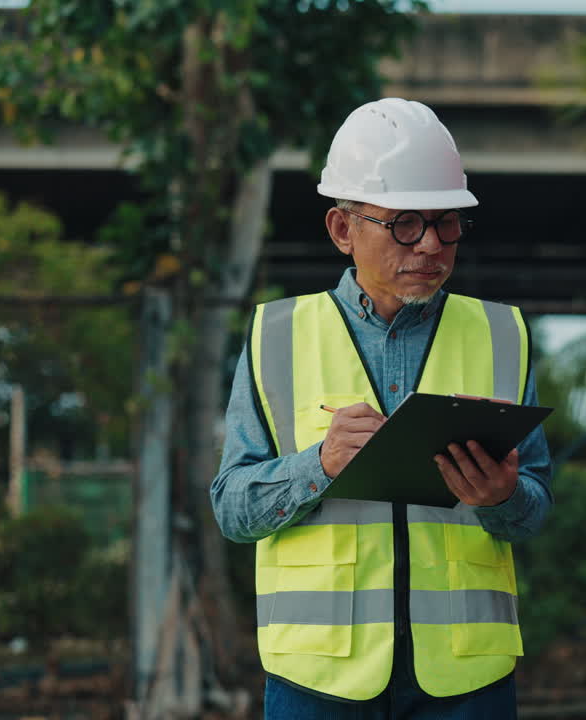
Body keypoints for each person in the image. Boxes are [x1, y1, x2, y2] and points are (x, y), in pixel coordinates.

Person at [210, 98, 552, 719]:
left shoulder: (505, 336)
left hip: (465, 681)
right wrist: (319, 464)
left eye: (446, 223)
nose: (429, 245)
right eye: (404, 223)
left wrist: (503, 498)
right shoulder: (276, 336)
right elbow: (232, 508)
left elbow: (534, 510)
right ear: (343, 230)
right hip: (316, 682)